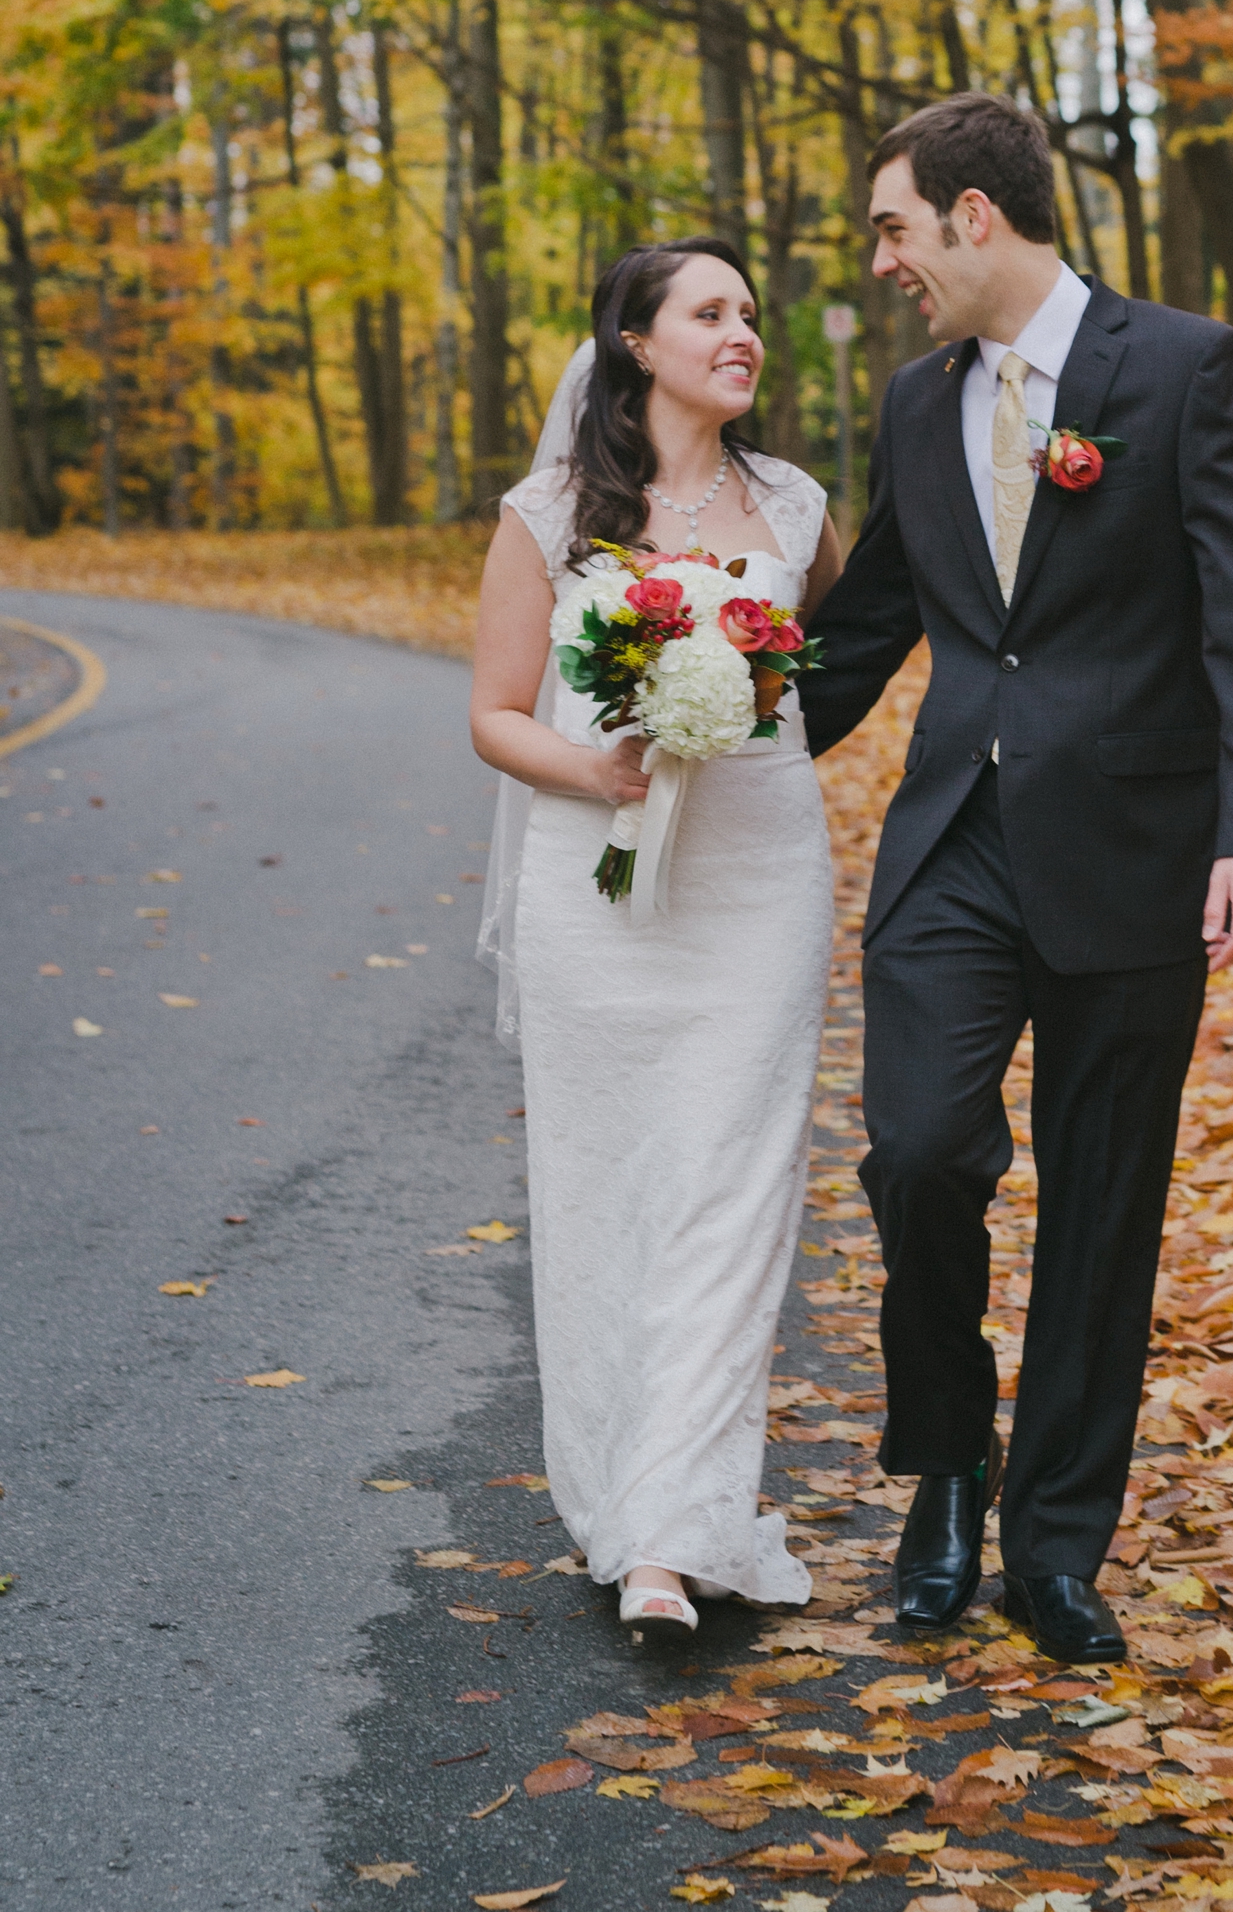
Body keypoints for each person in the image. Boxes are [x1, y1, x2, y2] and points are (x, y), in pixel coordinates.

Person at [801, 95, 1233, 1664]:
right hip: (954, 842)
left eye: (894, 225)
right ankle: (945, 1458)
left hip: (1137, 853)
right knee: (920, 1151)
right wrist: (699, 722)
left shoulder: (1181, 366)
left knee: (1105, 1208)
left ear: (973, 216)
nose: (884, 258)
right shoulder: (912, 405)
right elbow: (874, 621)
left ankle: (1057, 1539)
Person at [469, 237, 842, 1633]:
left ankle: (675, 1535)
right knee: (608, 1188)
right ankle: (622, 1499)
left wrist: (730, 715)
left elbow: (822, 673)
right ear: (637, 339)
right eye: (710, 312)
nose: (743, 332)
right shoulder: (551, 510)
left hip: (757, 887)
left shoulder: (797, 506)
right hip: (598, 890)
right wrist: (607, 765)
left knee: (730, 1194)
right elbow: (499, 710)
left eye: (750, 313)